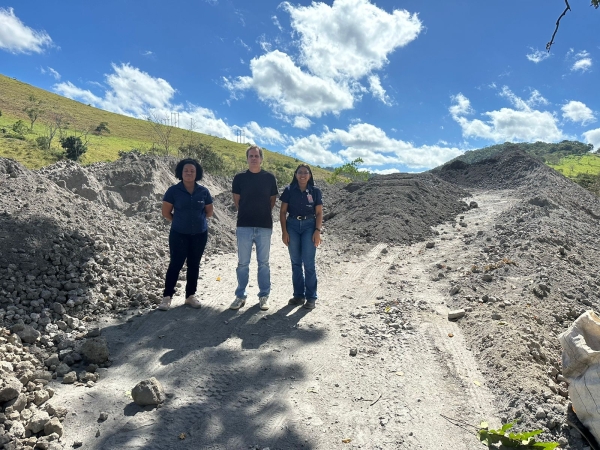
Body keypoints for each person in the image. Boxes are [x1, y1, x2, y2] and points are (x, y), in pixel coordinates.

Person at [158, 158, 213, 311]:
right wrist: (180, 222)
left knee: (194, 265)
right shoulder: (173, 191)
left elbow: (209, 212)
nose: (189, 173)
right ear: (181, 173)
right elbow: (166, 212)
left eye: (192, 171)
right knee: (175, 264)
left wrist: (195, 222)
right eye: (186, 170)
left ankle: (190, 296)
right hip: (178, 234)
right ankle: (167, 297)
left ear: (197, 173)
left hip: (199, 234)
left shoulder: (204, 192)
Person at [230, 145, 278, 311]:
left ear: (261, 158)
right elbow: (237, 201)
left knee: (263, 263)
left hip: (264, 226)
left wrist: (261, 213)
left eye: (256, 156)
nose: (254, 158)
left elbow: (272, 201)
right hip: (244, 226)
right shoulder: (239, 178)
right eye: (251, 156)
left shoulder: (270, 178)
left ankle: (264, 296)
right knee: (243, 263)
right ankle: (240, 296)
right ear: (247, 158)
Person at [279, 164, 323, 310]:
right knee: (296, 262)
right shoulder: (289, 190)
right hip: (292, 225)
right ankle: (299, 296)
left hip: (309, 226)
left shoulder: (315, 191)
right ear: (295, 174)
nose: (302, 175)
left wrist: (317, 231)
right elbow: (282, 212)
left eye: (306, 172)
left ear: (310, 175)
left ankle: (311, 297)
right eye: (300, 172)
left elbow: (319, 213)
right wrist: (284, 232)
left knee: (309, 263)